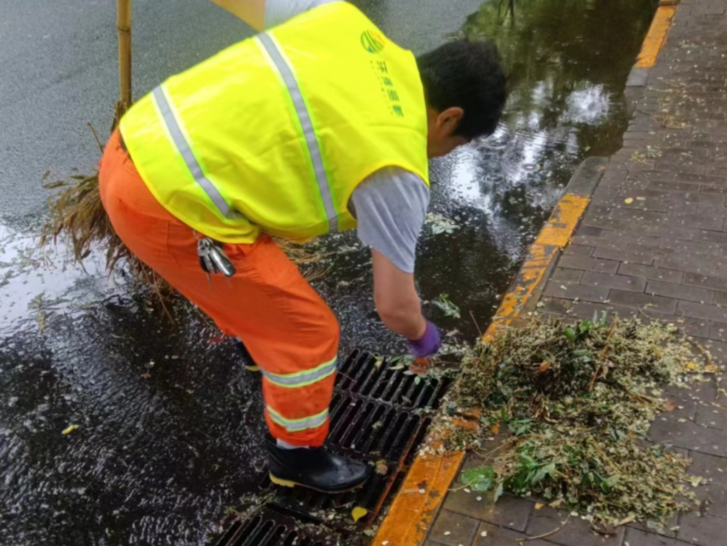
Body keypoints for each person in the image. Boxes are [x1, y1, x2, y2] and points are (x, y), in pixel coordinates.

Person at [98, 0, 506, 493]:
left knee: (263, 282)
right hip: (167, 205)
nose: (443, 154)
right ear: (449, 119)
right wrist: (425, 339)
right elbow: (395, 306)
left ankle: (257, 341)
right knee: (308, 336)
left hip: (137, 140)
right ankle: (295, 459)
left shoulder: (346, 24)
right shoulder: (397, 166)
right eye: (456, 144)